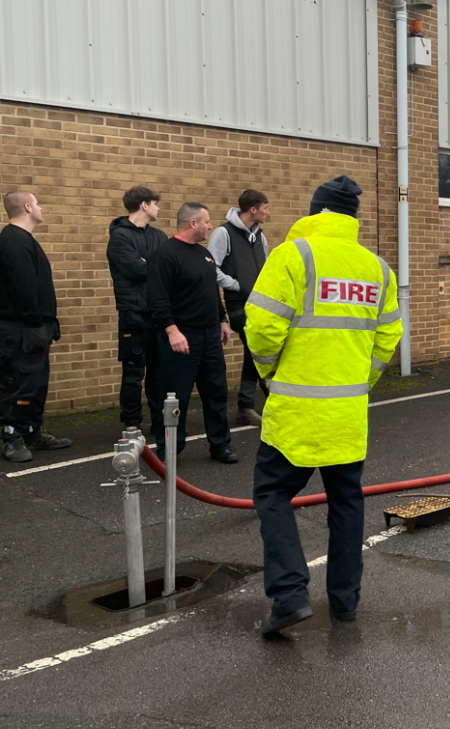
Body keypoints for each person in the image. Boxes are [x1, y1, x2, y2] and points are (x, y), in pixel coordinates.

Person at [247, 176, 402, 635]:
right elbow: (387, 339)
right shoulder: (377, 269)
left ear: (315, 213)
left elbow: (261, 328)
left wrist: (270, 374)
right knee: (347, 505)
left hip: (295, 414)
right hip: (347, 415)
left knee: (273, 495)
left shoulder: (292, 256)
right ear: (352, 218)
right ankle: (344, 603)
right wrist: (362, 381)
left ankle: (290, 597)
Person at [146, 203, 238, 464]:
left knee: (216, 391)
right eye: (207, 222)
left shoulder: (205, 255)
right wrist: (172, 330)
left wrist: (221, 320)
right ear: (193, 223)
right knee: (175, 395)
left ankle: (220, 444)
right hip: (181, 336)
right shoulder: (165, 255)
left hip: (210, 336)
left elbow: (211, 291)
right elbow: (157, 299)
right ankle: (169, 448)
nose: (211, 226)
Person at [0, 191, 72, 463]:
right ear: (28, 207)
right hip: (20, 330)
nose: (41, 208)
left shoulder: (24, 241)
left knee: (36, 383)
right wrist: (33, 325)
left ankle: (31, 431)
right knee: (18, 383)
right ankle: (11, 437)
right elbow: (23, 290)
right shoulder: (14, 243)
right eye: (38, 203)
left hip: (34, 327)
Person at [106, 187, 168, 432]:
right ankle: (131, 423)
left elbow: (165, 269)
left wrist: (148, 263)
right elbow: (138, 269)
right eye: (155, 203)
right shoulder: (119, 237)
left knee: (158, 372)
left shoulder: (160, 236)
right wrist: (149, 265)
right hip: (133, 314)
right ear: (144, 204)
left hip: (157, 313)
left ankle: (158, 420)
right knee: (133, 372)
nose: (158, 208)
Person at [209, 189, 272, 427]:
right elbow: (212, 268)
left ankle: (245, 407)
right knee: (258, 351)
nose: (268, 212)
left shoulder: (260, 237)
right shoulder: (223, 234)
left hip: (259, 304)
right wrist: (237, 285)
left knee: (252, 353)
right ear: (253, 209)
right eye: (265, 208)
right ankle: (273, 401)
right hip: (238, 305)